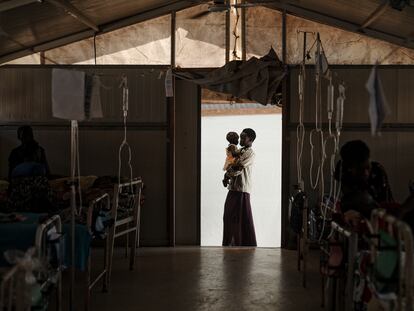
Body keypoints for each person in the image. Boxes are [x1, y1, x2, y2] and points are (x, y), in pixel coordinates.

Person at [334, 140, 393, 221]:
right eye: (360, 169)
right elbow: (352, 200)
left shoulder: (378, 171)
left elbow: (386, 201)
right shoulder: (343, 173)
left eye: (368, 167)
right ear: (349, 168)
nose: (366, 173)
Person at [222, 128, 257, 247]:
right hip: (233, 188)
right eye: (240, 137)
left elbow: (238, 167)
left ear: (251, 140)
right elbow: (232, 163)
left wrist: (227, 174)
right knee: (229, 217)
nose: (240, 139)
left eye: (243, 137)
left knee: (241, 220)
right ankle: (231, 243)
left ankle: (241, 244)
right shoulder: (239, 150)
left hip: (242, 190)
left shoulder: (250, 153)